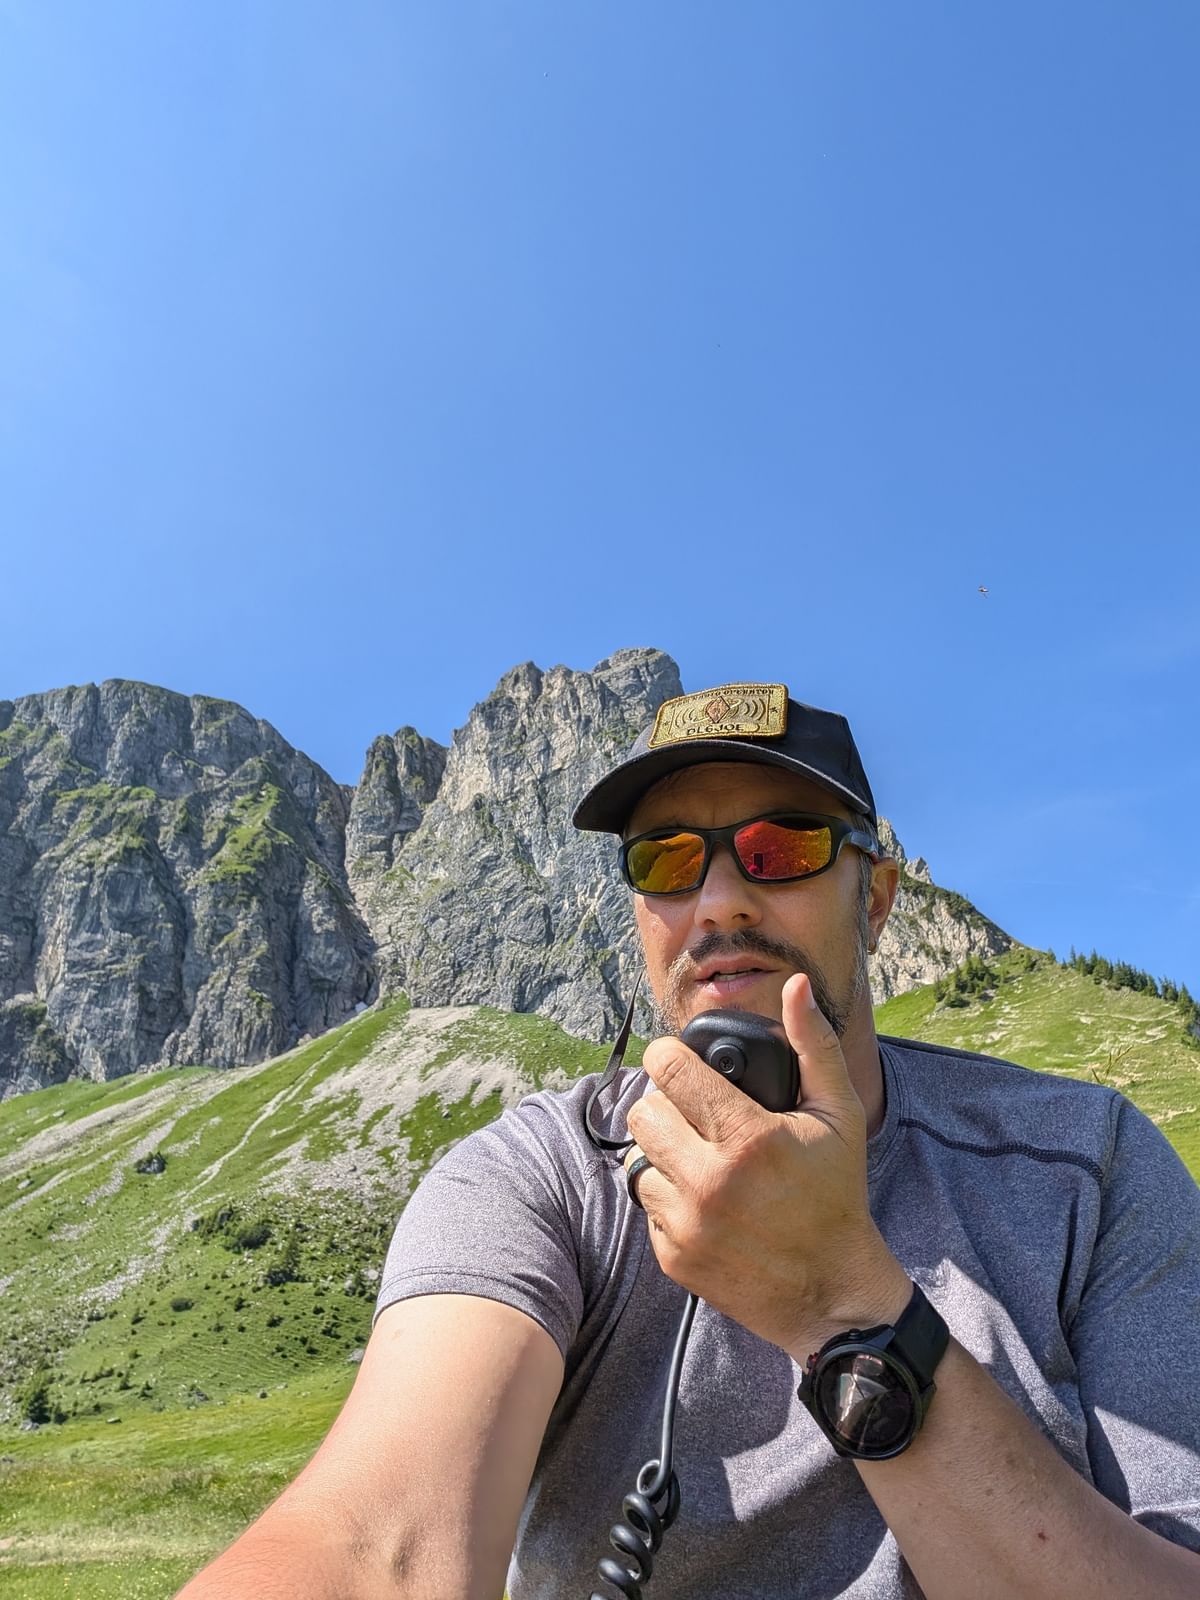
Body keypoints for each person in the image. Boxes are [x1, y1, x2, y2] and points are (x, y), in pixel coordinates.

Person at [177, 683, 1200, 1600]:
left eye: (782, 848)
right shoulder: (543, 1176)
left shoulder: (1090, 1164)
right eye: (665, 861)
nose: (718, 900)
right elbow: (380, 1547)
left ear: (878, 900)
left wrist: (840, 1300)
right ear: (639, 918)